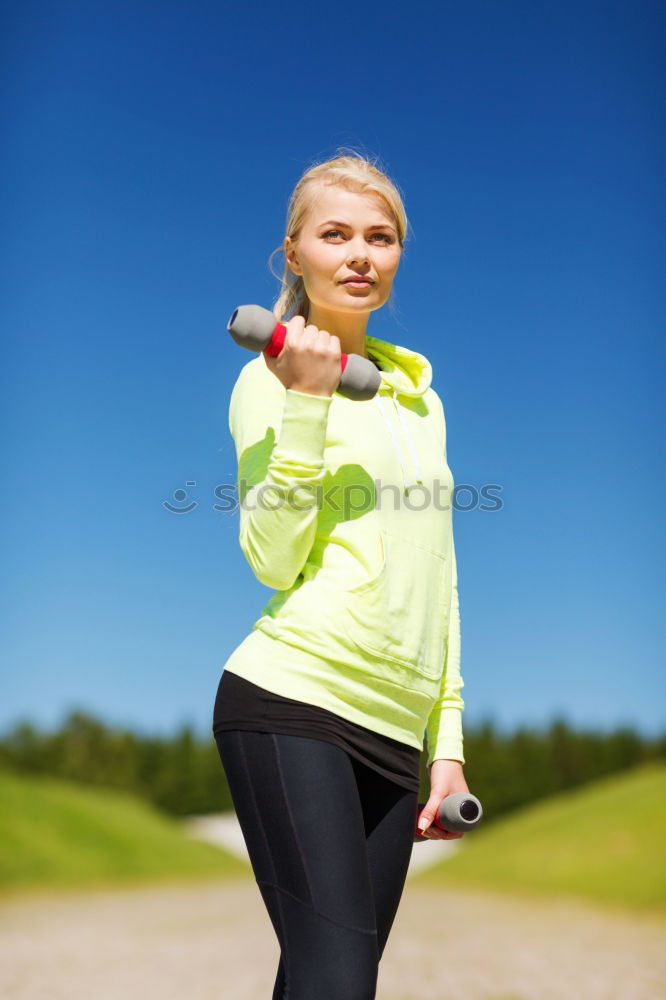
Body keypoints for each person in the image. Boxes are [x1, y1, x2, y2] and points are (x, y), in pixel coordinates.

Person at [212, 150, 469, 1000]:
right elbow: (269, 558)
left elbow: (441, 574)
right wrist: (309, 401)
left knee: (322, 982)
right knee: (337, 984)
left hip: (397, 734)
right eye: (335, 234)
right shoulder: (268, 379)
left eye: (380, 237)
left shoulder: (419, 399)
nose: (360, 254)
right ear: (296, 255)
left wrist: (449, 746)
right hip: (296, 701)